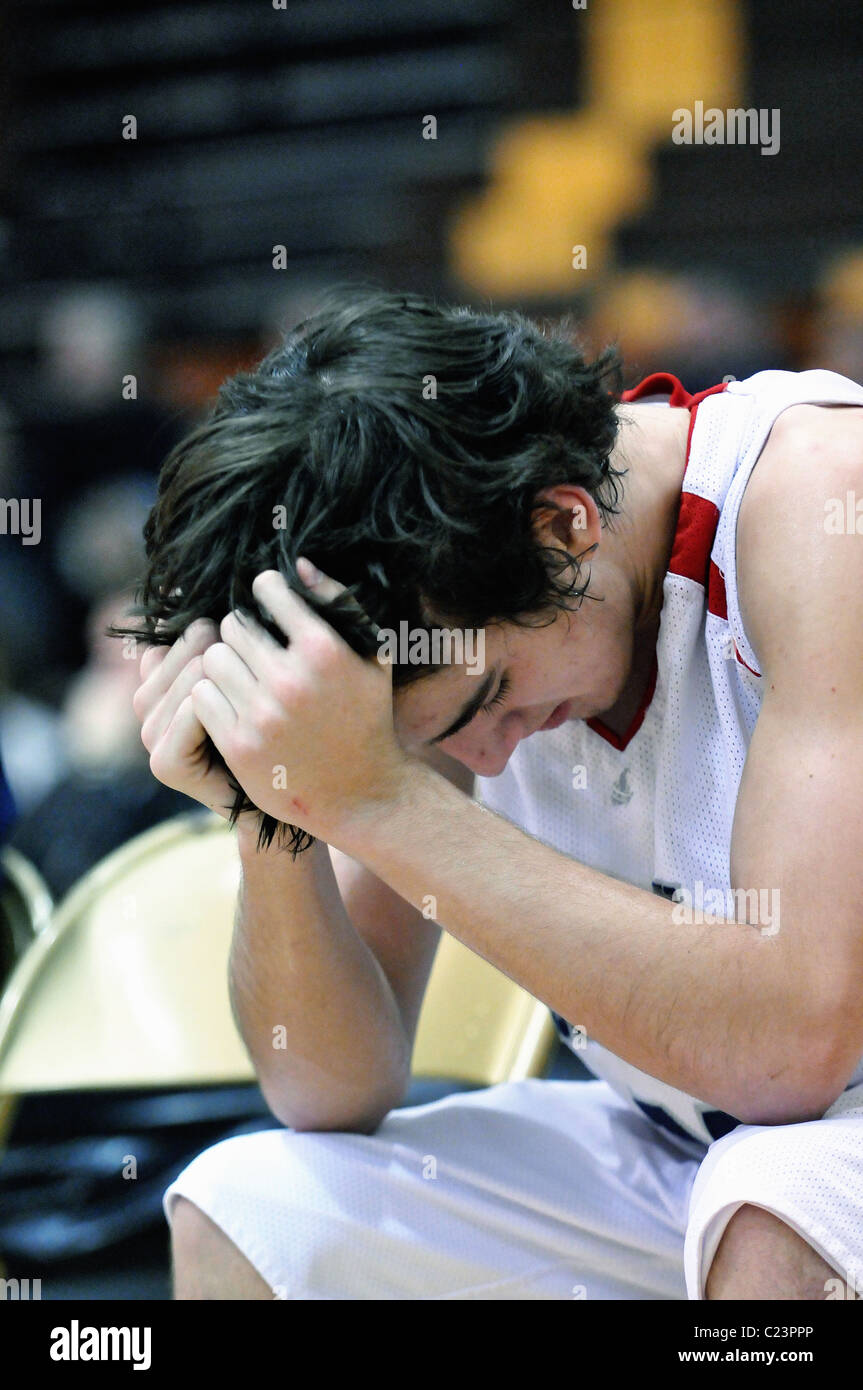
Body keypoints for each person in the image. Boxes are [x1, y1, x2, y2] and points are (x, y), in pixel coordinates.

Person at [126, 286, 863, 1300]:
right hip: (701, 1146)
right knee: (252, 1209)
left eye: (490, 698)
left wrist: (380, 797)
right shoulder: (442, 611)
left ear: (562, 524)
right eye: (431, 739)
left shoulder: (821, 497)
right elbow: (328, 1088)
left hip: (797, 1139)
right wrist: (279, 807)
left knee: (774, 1204)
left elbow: (792, 1049)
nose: (478, 762)